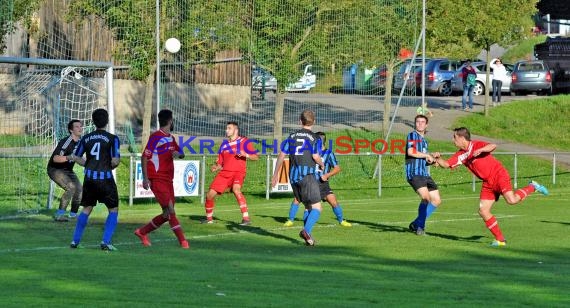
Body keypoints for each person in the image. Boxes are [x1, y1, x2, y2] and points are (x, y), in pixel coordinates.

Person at [433, 127, 549, 247]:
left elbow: (492, 146)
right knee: (483, 211)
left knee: (512, 200)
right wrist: (438, 158)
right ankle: (500, 240)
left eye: (455, 137)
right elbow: (446, 164)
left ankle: (532, 186)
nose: (453, 140)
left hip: (499, 175)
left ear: (462, 138)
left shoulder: (476, 145)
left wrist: (482, 149)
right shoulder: (461, 154)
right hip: (487, 183)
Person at [134, 109, 189, 249]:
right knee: (171, 210)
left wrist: (178, 154)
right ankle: (183, 242)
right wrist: (145, 178)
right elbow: (144, 156)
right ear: (170, 121)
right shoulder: (156, 137)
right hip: (157, 178)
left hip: (168, 180)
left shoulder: (171, 138)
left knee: (166, 214)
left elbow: (181, 153)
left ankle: (142, 232)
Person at [69, 109, 121, 251]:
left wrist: (89, 164)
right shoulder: (112, 138)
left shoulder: (85, 138)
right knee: (113, 209)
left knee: (87, 208)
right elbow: (115, 161)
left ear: (93, 121)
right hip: (105, 180)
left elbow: (76, 157)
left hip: (90, 180)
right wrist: (111, 164)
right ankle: (105, 241)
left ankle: (75, 241)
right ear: (107, 121)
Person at [272, 110, 325, 246]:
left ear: (299, 121)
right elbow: (315, 156)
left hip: (293, 177)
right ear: (314, 122)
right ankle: (306, 231)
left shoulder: (291, 136)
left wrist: (275, 174)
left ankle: (308, 238)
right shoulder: (315, 138)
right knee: (317, 208)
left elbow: (281, 156)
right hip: (307, 175)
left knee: (308, 207)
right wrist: (322, 163)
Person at [283, 132, 351, 228]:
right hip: (310, 181)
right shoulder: (310, 152)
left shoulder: (328, 153)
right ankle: (291, 220)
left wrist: (327, 175)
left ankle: (341, 220)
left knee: (333, 201)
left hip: (323, 183)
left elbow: (337, 168)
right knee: (298, 200)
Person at [202, 121, 259, 225]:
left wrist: (245, 155)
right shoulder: (224, 145)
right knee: (209, 195)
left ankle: (246, 218)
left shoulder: (244, 141)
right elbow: (220, 163)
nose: (226, 130)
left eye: (229, 128)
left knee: (236, 190)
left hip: (238, 172)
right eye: (226, 128)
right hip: (224, 173)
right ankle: (209, 219)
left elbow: (255, 157)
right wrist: (216, 167)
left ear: (236, 130)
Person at [405, 115, 442, 235]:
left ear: (426, 125)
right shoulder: (412, 135)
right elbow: (411, 152)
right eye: (418, 122)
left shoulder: (424, 141)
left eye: (422, 122)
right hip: (414, 173)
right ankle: (420, 227)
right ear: (415, 124)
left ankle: (416, 223)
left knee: (436, 200)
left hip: (424, 174)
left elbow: (424, 160)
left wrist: (433, 160)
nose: (420, 124)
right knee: (426, 198)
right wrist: (427, 155)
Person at [47, 120, 83, 221]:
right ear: (71, 130)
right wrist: (69, 157)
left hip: (68, 170)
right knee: (71, 187)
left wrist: (91, 165)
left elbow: (80, 159)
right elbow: (55, 158)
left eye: (81, 126)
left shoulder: (81, 142)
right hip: (55, 169)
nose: (80, 128)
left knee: (79, 189)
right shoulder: (66, 142)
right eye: (77, 127)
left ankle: (73, 214)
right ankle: (59, 215)